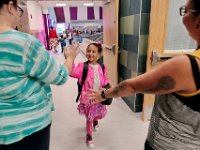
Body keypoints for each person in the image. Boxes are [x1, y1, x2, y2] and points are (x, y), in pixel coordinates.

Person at [90, 0, 200, 149]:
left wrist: (104, 94)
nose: (183, 17)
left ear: (198, 20)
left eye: (185, 11)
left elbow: (131, 86)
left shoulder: (187, 66)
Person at [0, 0, 79, 150]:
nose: (18, 14)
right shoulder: (24, 43)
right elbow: (60, 76)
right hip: (29, 127)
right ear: (10, 7)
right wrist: (70, 57)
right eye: (19, 10)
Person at [70, 43, 110, 148]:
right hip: (88, 98)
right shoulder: (82, 66)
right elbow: (72, 72)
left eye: (93, 52)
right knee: (89, 117)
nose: (90, 54)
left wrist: (107, 88)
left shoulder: (102, 67)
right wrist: (71, 59)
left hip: (99, 97)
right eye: (89, 51)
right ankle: (89, 135)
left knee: (96, 112)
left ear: (99, 54)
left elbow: (105, 79)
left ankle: (95, 121)